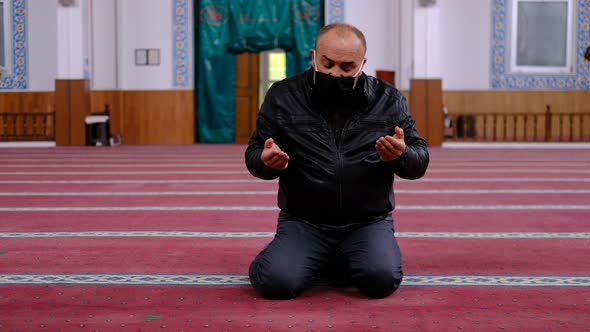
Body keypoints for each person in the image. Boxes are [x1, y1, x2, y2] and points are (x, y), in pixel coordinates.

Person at [245, 23, 429, 300]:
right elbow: (254, 153)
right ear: (313, 55)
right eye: (327, 64)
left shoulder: (389, 100)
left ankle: (333, 257)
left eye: (346, 67)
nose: (335, 74)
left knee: (381, 280)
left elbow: (420, 160)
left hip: (367, 221)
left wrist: (401, 155)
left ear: (363, 63)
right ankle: (303, 255)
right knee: (276, 282)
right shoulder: (283, 96)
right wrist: (266, 161)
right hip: (304, 221)